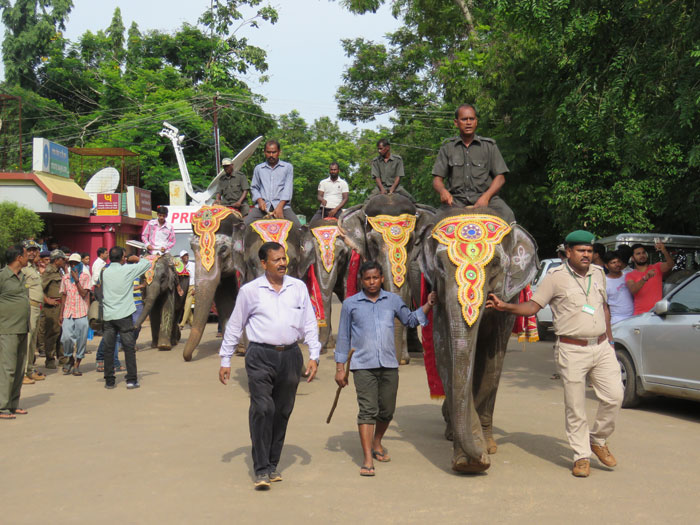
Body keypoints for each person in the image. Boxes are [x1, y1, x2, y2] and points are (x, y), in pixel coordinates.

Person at [486, 230, 623, 478]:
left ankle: (598, 440)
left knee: (615, 396)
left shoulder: (599, 273)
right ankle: (581, 456)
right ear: (568, 252)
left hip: (602, 346)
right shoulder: (555, 277)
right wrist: (506, 306)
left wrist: (610, 341)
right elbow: (533, 306)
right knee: (576, 406)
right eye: (581, 251)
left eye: (590, 251)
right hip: (571, 349)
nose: (586, 255)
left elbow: (603, 308)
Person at [218, 241, 320, 490]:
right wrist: (225, 359)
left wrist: (314, 356)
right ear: (264, 264)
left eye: (284, 259)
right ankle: (261, 468)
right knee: (263, 408)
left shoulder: (298, 288)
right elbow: (234, 325)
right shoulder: (250, 291)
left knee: (282, 411)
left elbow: (309, 322)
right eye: (277, 260)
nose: (283, 263)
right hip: (260, 355)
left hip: (291, 356)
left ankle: (272, 464)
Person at [334, 261, 436, 477]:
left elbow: (409, 320)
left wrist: (427, 305)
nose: (371, 282)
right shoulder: (351, 304)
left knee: (387, 410)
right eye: (367, 279)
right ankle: (368, 458)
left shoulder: (393, 301)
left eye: (375, 278)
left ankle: (377, 442)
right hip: (363, 366)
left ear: (382, 278)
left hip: (389, 363)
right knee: (367, 410)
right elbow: (343, 338)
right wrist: (340, 368)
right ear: (361, 280)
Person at [432, 104, 515, 223]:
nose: (468, 122)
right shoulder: (447, 147)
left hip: (488, 199)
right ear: (456, 122)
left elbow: (500, 177)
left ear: (476, 121)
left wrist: (486, 197)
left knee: (509, 216)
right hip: (455, 201)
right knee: (433, 226)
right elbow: (437, 180)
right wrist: (443, 191)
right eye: (464, 119)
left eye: (471, 119)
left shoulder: (489, 146)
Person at [101, 247, 151, 389]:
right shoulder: (127, 269)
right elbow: (147, 264)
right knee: (129, 348)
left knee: (109, 348)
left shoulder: (104, 272)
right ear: (123, 258)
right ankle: (131, 380)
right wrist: (136, 259)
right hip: (124, 315)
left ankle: (109, 380)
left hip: (109, 315)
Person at [0, 244, 30, 420]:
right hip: (7, 329)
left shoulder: (22, 276)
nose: (29, 257)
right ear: (19, 257)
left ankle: (13, 404)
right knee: (7, 368)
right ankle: (2, 406)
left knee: (19, 369)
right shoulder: (3, 276)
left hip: (22, 328)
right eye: (26, 255)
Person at [246, 140, 301, 227]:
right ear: (264, 152)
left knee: (299, 229)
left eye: (274, 152)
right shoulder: (259, 168)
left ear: (279, 152)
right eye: (268, 152)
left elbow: (288, 189)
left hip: (283, 207)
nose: (271, 155)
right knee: (243, 227)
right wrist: (260, 200)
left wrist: (280, 207)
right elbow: (254, 187)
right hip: (262, 207)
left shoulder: (287, 167)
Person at [59, 253, 91, 376]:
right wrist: (61, 314)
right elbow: (64, 295)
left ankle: (77, 363)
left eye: (76, 264)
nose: (73, 266)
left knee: (81, 339)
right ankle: (69, 358)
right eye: (71, 264)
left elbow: (84, 294)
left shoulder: (85, 277)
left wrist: (77, 280)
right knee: (66, 337)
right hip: (68, 311)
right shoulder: (65, 278)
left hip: (81, 311)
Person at [20, 240, 46, 384]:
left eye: (34, 250)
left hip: (37, 308)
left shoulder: (33, 267)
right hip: (29, 307)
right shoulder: (23, 268)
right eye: (29, 250)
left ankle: (30, 370)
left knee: (32, 342)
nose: (32, 252)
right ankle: (23, 372)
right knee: (27, 341)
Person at [625, 242, 673, 315]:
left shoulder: (657, 267)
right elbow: (633, 290)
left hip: (658, 313)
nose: (642, 255)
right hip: (640, 314)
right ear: (632, 258)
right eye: (638, 254)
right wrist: (645, 278)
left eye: (643, 253)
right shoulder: (630, 275)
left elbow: (671, 265)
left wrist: (664, 251)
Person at [40, 249, 66, 369]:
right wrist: (47, 300)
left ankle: (62, 357)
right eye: (62, 259)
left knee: (61, 332)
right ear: (57, 260)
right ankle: (50, 359)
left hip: (61, 305)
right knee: (52, 332)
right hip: (52, 307)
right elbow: (39, 288)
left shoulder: (59, 271)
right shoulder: (49, 271)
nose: (64, 261)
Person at [603, 252, 634, 325]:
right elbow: (605, 305)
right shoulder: (604, 282)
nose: (617, 264)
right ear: (606, 266)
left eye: (618, 261)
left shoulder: (629, 275)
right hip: (616, 320)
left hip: (634, 317)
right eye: (613, 262)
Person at [178, 250, 196, 330]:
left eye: (187, 255)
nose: (186, 257)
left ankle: (182, 323)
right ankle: (193, 323)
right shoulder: (179, 266)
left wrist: (195, 288)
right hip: (183, 288)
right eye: (184, 256)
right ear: (181, 257)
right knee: (186, 306)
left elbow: (197, 277)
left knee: (187, 306)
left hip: (191, 287)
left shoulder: (193, 265)